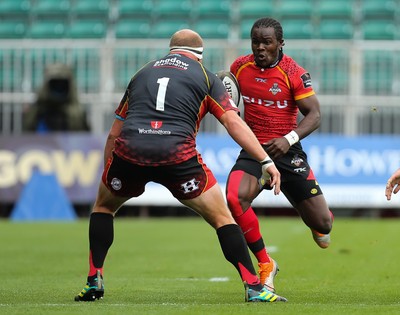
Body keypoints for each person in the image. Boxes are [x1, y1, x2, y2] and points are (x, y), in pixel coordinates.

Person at [74, 29, 287, 303]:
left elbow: (114, 133)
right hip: (176, 153)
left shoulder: (142, 73)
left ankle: (94, 280)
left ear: (170, 50)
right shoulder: (205, 75)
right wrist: (266, 160)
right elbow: (233, 123)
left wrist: (110, 172)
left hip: (130, 150)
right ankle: (253, 286)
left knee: (103, 207)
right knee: (223, 218)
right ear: (199, 56)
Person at [225, 17, 334, 293]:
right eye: (255, 42)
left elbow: (315, 114)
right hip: (255, 150)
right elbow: (227, 100)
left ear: (280, 44)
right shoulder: (239, 67)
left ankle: (307, 210)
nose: (260, 48)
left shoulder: (293, 72)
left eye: (267, 42)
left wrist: (289, 139)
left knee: (323, 226)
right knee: (234, 198)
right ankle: (265, 264)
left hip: (287, 150)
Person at [23, 63, 90, 132]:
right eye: (54, 83)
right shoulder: (37, 111)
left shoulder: (77, 115)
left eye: (62, 83)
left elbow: (83, 137)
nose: (59, 86)